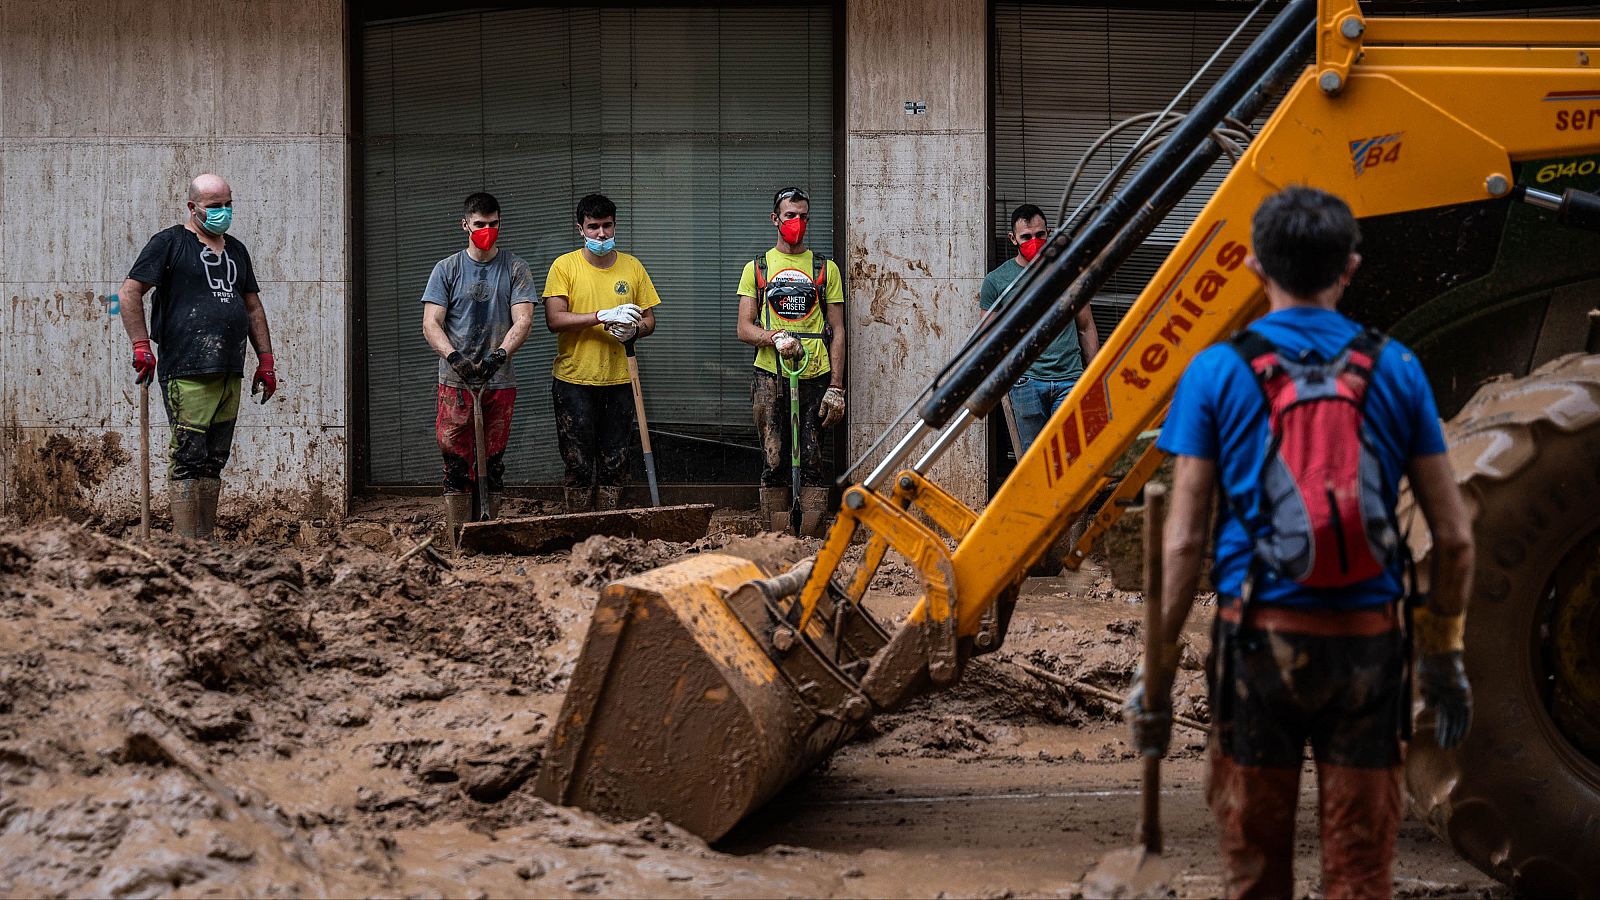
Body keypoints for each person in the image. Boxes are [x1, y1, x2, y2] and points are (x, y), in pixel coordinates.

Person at [1128, 187, 1475, 899]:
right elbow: (1455, 538)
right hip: (1371, 646)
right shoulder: (1399, 368)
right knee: (1358, 868)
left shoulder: (1216, 373)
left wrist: (1155, 684)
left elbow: (1185, 543)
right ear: (1350, 266)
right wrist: (1441, 660)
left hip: (1258, 644)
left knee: (1255, 870)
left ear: (1255, 267)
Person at [117, 173, 277, 539]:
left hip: (229, 369)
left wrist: (265, 361)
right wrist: (141, 345)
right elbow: (129, 293)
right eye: (214, 207)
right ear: (193, 207)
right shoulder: (170, 243)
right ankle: (189, 547)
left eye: (228, 204)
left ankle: (206, 544)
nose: (223, 212)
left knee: (213, 460)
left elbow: (252, 307)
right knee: (189, 457)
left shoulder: (236, 249)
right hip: (187, 369)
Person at [421, 192, 537, 544]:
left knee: (493, 459)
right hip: (456, 383)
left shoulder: (515, 268)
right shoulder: (447, 269)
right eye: (480, 224)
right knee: (456, 461)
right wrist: (455, 359)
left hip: (497, 381)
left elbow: (523, 319)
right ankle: (459, 534)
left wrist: (498, 356)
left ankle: (487, 532)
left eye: (493, 224)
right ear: (465, 225)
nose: (487, 230)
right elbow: (431, 323)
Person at [735, 186, 846, 536]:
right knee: (774, 457)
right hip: (770, 374)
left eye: (802, 216)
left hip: (814, 374)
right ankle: (776, 535)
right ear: (775, 219)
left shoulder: (824, 268)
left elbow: (838, 330)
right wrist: (774, 338)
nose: (796, 222)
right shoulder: (758, 267)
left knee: (812, 457)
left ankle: (810, 535)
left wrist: (836, 388)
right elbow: (743, 328)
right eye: (789, 216)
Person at [543, 194, 660, 512]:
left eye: (607, 226)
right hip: (574, 380)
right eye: (593, 227)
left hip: (620, 380)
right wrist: (601, 315)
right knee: (577, 462)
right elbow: (555, 319)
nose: (601, 234)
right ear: (580, 228)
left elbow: (650, 320)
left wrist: (635, 330)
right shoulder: (564, 266)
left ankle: (608, 523)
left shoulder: (632, 266)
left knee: (615, 462)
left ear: (615, 225)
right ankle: (579, 524)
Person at [980, 203, 1100, 450]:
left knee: (1071, 453)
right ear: (1013, 239)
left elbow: (1086, 327)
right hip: (1026, 383)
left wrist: (1095, 373)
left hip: (1070, 379)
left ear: (1049, 232)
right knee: (1034, 457)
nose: (1034, 241)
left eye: (1040, 235)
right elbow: (987, 337)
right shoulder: (997, 281)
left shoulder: (1068, 272)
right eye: (1026, 237)